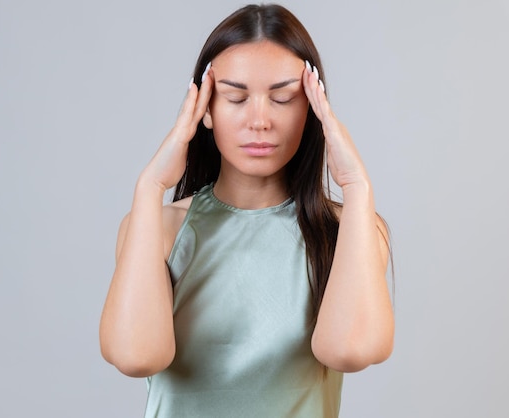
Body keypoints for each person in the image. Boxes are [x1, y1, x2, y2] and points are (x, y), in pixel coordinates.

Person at [99, 4, 394, 417]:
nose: (260, 120)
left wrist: (358, 188)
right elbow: (135, 356)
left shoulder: (347, 229)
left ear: (311, 107)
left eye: (283, 98)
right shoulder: (159, 228)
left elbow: (350, 350)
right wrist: (149, 188)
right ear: (204, 109)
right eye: (236, 97)